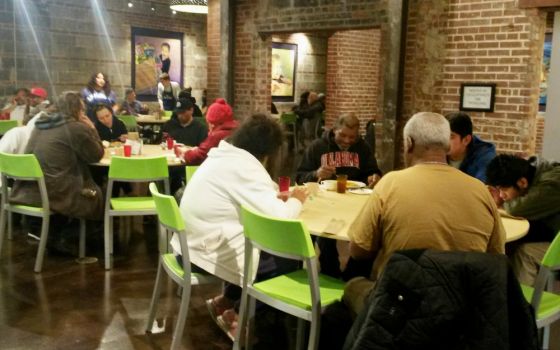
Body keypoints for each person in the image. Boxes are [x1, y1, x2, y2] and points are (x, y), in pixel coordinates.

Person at [320, 112, 505, 349]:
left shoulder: (391, 184)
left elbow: (359, 250)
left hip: (400, 308)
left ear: (409, 145)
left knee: (351, 285)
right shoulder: (481, 191)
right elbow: (496, 256)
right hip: (463, 312)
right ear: (447, 145)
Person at [173, 114, 309, 339]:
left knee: (252, 244)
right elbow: (282, 217)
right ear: (268, 151)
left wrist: (274, 194)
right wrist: (298, 199)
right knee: (286, 258)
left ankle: (224, 302)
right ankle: (239, 318)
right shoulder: (243, 167)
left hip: (188, 247)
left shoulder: (225, 156)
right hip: (201, 254)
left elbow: (253, 191)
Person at [297, 114, 382, 278]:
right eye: (342, 135)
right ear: (334, 129)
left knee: (367, 235)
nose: (347, 141)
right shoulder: (318, 147)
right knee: (326, 235)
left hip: (355, 203)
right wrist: (317, 173)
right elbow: (300, 177)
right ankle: (330, 272)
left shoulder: (362, 148)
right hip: (325, 204)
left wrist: (374, 176)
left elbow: (372, 170)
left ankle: (353, 275)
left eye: (352, 137)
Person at [10, 91, 104, 221]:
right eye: (82, 110)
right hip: (58, 195)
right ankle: (88, 237)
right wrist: (92, 128)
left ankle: (57, 230)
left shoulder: (40, 125)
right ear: (76, 110)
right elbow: (96, 155)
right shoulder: (75, 127)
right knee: (100, 193)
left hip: (30, 191)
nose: (83, 114)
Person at [486, 154, 560, 285]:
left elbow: (517, 209)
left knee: (525, 252)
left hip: (554, 236)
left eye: (504, 190)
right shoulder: (529, 170)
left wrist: (500, 201)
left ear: (522, 182)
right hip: (551, 231)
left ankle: (519, 302)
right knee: (506, 246)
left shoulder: (553, 184)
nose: (502, 195)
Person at [175, 98, 239, 166]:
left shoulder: (216, 136)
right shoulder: (237, 131)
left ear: (212, 123)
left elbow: (199, 156)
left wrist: (185, 154)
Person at [446, 112, 496, 183]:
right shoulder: (436, 148)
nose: (444, 140)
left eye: (451, 136)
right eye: (443, 135)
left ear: (466, 140)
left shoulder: (484, 155)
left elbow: (480, 188)